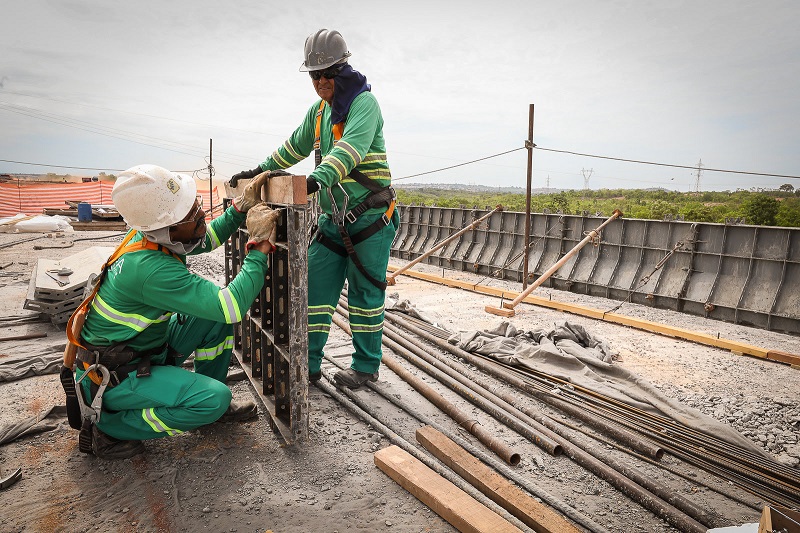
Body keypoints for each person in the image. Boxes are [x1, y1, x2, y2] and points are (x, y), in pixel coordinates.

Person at [69, 164, 279, 459]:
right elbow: (232, 306)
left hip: (140, 351)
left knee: (211, 318)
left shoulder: (149, 235)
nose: (201, 215)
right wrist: (259, 248)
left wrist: (238, 210)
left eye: (195, 206)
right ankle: (109, 428)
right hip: (114, 377)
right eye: (191, 214)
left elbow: (202, 240)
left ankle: (208, 408)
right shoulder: (148, 270)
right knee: (214, 398)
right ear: (168, 227)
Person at [231, 29, 398, 389]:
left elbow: (349, 151)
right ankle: (307, 365)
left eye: (328, 74)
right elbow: (292, 148)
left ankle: (366, 368)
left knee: (365, 297)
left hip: (370, 219)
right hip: (333, 220)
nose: (321, 81)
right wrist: (257, 170)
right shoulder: (320, 113)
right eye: (315, 75)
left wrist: (313, 181)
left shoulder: (363, 105)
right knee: (313, 290)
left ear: (343, 69)